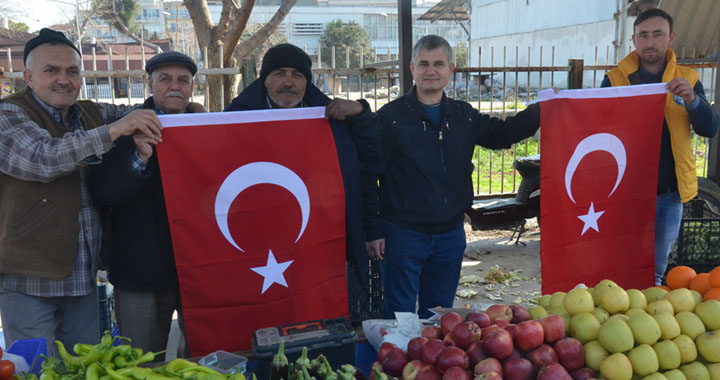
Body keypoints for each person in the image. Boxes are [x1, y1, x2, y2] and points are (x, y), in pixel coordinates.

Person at [0, 28, 163, 353]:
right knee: (34, 371)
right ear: (28, 77)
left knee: (84, 368)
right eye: (52, 70)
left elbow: (144, 113)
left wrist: (190, 114)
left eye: (72, 71)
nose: (64, 79)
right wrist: (115, 130)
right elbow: (42, 158)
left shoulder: (88, 113)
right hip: (28, 280)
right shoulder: (9, 114)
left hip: (84, 278)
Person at [366, 35, 541, 319]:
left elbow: (502, 134)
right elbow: (368, 176)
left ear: (451, 69)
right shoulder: (390, 118)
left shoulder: (464, 116)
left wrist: (542, 109)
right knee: (398, 318)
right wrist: (373, 230)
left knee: (439, 318)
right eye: (423, 63)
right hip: (402, 235)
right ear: (412, 68)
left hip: (450, 235)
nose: (430, 70)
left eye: (438, 63)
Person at [224, 43, 378, 312]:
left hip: (321, 240)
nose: (288, 82)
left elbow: (369, 163)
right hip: (260, 243)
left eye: (297, 75)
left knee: (320, 310)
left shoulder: (334, 118)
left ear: (307, 81)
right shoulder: (236, 120)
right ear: (265, 80)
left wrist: (362, 114)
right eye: (279, 73)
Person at [88, 52, 200, 360]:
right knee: (141, 363)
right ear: (149, 84)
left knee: (203, 360)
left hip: (197, 269)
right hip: (140, 272)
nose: (174, 87)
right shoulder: (125, 129)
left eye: (183, 80)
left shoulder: (206, 127)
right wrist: (139, 158)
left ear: (192, 86)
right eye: (165, 79)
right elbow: (104, 193)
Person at [601, 8, 719, 286]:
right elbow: (596, 128)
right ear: (633, 40)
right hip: (624, 191)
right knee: (620, 264)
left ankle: (646, 318)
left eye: (657, 34)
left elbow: (710, 128)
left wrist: (693, 101)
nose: (650, 42)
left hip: (669, 193)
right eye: (643, 35)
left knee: (655, 270)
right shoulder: (615, 79)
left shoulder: (687, 79)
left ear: (671, 38)